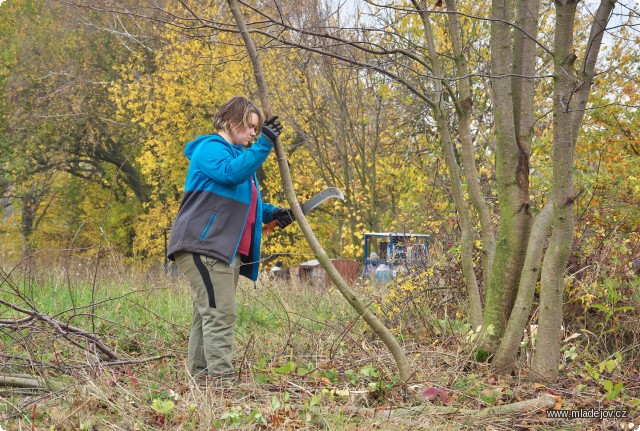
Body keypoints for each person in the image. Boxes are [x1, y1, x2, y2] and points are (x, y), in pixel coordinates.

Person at [167, 96, 294, 382]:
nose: (253, 133)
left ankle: (202, 381)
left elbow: (245, 200)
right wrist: (265, 144)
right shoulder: (210, 149)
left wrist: (274, 213)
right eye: (249, 126)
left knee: (208, 314)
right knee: (221, 315)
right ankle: (223, 385)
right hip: (204, 245)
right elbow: (230, 175)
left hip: (226, 249)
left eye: (256, 129)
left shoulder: (239, 157)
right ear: (229, 120)